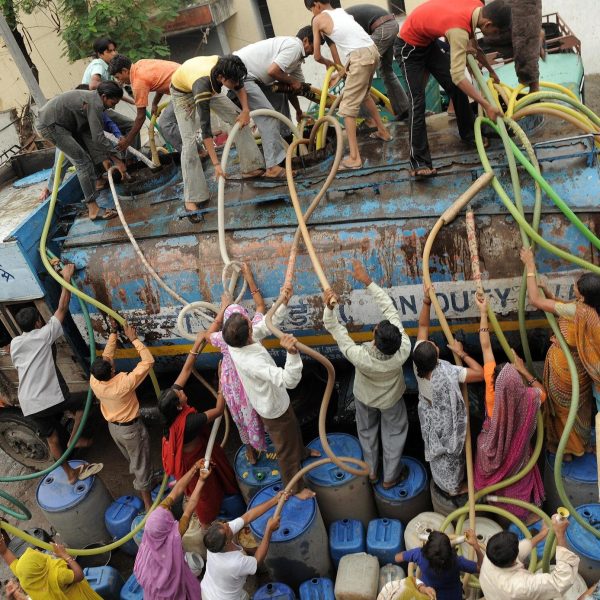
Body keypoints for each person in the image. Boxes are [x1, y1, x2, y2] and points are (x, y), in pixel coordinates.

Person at [222, 283, 319, 496]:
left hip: (277, 402)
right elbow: (289, 380)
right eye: (249, 322)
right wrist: (292, 354)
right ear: (248, 332)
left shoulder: (236, 342)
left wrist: (282, 302)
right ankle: (295, 488)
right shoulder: (252, 361)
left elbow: (267, 324)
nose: (252, 322)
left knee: (293, 430)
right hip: (273, 409)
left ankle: (301, 453)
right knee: (285, 451)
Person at [395, 0, 510, 178]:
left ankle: (469, 132)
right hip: (408, 47)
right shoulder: (458, 31)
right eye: (494, 32)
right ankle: (418, 161)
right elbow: (458, 76)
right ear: (487, 24)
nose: (493, 36)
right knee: (417, 102)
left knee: (455, 88)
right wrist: (486, 104)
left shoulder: (477, 6)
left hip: (428, 42)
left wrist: (491, 71)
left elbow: (476, 47)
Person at [9, 263, 100, 484]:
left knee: (51, 438)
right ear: (38, 322)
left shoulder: (14, 343)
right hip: (48, 398)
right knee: (87, 400)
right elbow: (62, 306)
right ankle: (76, 440)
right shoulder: (44, 335)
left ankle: (70, 475)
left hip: (28, 403)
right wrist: (66, 278)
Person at [323, 260, 411, 487]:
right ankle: (390, 477)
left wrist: (330, 308)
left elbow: (335, 329)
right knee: (394, 433)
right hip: (391, 399)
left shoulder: (360, 356)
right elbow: (390, 310)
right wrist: (369, 282)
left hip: (364, 397)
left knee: (366, 431)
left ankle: (371, 472)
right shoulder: (403, 348)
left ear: (375, 334)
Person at [206, 264, 290, 464]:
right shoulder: (252, 334)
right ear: (249, 326)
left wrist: (222, 309)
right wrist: (250, 278)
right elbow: (261, 307)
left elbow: (207, 335)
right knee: (262, 414)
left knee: (242, 418)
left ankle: (251, 450)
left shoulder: (223, 339)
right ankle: (279, 449)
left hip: (233, 386)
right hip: (251, 385)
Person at [520, 247, 597, 460]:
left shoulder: (579, 311)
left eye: (577, 292)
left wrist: (530, 265)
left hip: (565, 370)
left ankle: (565, 450)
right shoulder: (592, 311)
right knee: (578, 410)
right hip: (582, 371)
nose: (574, 292)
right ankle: (578, 446)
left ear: (583, 299)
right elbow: (564, 311)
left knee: (562, 412)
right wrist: (550, 294)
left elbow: (535, 300)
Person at [474, 295, 545, 522]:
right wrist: (524, 371)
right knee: (520, 470)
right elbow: (542, 393)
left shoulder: (492, 392)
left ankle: (488, 506)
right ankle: (513, 514)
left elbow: (485, 347)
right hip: (517, 459)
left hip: (490, 451)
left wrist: (483, 312)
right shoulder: (528, 399)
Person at [170, 55, 265, 220]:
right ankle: (192, 199)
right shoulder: (202, 86)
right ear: (222, 78)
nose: (236, 84)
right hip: (182, 93)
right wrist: (216, 165)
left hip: (204, 82)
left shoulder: (228, 66)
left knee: (236, 117)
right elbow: (206, 129)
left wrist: (245, 111)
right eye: (233, 82)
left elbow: (239, 87)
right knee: (189, 143)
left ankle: (251, 166)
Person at [159, 329, 239, 528]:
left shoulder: (168, 407)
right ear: (179, 406)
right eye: (181, 396)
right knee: (205, 494)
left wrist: (197, 343)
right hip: (193, 460)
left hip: (199, 448)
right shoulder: (189, 423)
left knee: (218, 474)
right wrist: (221, 381)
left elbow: (186, 371)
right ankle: (207, 524)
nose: (183, 392)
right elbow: (219, 410)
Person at [412, 284, 484, 496]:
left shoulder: (418, 362)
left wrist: (426, 301)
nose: (434, 344)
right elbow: (479, 373)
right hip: (447, 425)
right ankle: (455, 490)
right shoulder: (447, 373)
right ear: (436, 359)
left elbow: (422, 326)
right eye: (434, 347)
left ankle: (445, 484)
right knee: (452, 454)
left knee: (437, 454)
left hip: (431, 420)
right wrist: (462, 354)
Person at [307, 0, 391, 170]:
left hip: (360, 57)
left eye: (311, 10)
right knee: (365, 95)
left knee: (346, 108)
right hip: (371, 51)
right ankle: (383, 131)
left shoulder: (318, 20)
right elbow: (355, 42)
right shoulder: (342, 12)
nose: (313, 14)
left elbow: (316, 55)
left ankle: (354, 158)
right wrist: (343, 70)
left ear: (316, 5)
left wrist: (327, 62)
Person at [233, 26, 319, 178]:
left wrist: (299, 112)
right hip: (241, 74)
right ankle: (272, 167)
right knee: (269, 117)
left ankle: (283, 156)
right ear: (305, 41)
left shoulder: (296, 59)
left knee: (280, 99)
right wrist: (292, 81)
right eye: (314, 46)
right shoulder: (295, 47)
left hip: (254, 77)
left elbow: (294, 88)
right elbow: (273, 71)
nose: (313, 52)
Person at [36, 82, 127, 220]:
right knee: (83, 163)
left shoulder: (92, 100)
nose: (113, 106)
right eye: (112, 102)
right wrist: (117, 154)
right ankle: (93, 209)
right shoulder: (95, 104)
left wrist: (115, 158)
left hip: (67, 125)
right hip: (51, 125)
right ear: (104, 96)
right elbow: (98, 138)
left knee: (89, 156)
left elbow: (94, 142)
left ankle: (96, 181)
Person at [89, 320, 155, 512]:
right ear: (111, 371)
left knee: (135, 460)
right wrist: (134, 339)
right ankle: (148, 503)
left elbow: (107, 356)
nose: (109, 360)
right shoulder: (123, 383)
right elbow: (148, 361)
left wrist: (113, 333)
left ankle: (146, 480)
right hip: (131, 430)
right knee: (141, 463)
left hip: (115, 429)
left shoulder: (95, 380)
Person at [202, 488, 311, 600]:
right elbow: (257, 560)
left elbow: (247, 517)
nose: (229, 525)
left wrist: (275, 500)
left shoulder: (213, 543)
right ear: (226, 542)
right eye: (227, 528)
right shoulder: (234, 563)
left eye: (225, 524)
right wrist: (268, 530)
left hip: (211, 588)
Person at [134, 461, 210, 600]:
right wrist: (201, 480)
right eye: (168, 511)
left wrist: (194, 468)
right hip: (164, 592)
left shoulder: (151, 528)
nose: (168, 509)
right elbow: (190, 505)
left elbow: (176, 491)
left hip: (150, 582)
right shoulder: (175, 537)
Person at [479, 519, 580, 599]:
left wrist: (543, 534)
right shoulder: (521, 586)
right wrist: (560, 535)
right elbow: (561, 581)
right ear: (513, 560)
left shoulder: (491, 555)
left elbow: (520, 548)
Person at [345, 4, 409, 120]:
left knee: (360, 73)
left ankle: (367, 120)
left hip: (382, 28)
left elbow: (356, 51)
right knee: (386, 70)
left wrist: (347, 66)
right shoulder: (340, 18)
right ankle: (404, 110)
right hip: (390, 25)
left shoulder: (335, 23)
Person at [109, 55, 183, 152]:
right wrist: (154, 103)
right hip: (184, 78)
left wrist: (127, 141)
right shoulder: (140, 63)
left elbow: (141, 117)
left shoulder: (138, 82)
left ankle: (197, 152)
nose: (119, 81)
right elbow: (161, 79)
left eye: (118, 77)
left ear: (124, 71)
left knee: (165, 125)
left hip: (183, 88)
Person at [0, 536, 101, 600]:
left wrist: (2, 546)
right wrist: (65, 555)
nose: (38, 552)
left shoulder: (27, 581)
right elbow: (79, 575)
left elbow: (7, 556)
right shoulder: (58, 575)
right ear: (39, 566)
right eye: (37, 555)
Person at [395, 529, 483, 600]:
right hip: (453, 596)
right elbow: (480, 568)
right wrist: (476, 546)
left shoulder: (419, 555)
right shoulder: (457, 562)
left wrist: (415, 552)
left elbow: (397, 558)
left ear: (427, 547)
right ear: (450, 550)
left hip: (428, 594)